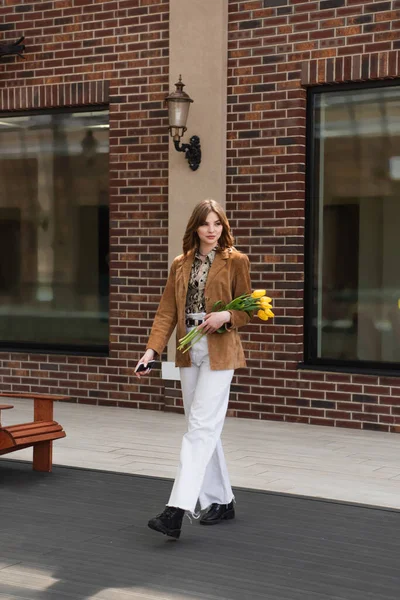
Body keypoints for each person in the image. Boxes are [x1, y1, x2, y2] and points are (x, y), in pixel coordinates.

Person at [135, 198, 251, 539]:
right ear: (196, 228)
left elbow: (250, 309)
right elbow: (167, 311)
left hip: (221, 350)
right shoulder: (180, 264)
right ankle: (222, 500)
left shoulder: (235, 261)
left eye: (217, 223)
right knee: (202, 426)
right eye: (206, 224)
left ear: (223, 226)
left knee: (200, 427)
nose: (212, 230)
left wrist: (227, 315)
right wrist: (152, 350)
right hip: (189, 350)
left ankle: (176, 509)